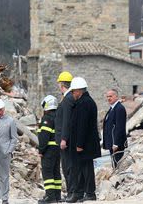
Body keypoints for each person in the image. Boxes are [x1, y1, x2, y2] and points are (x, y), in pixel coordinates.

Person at [67, 77, 101, 203]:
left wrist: (79, 144)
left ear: (78, 91)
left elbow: (82, 125)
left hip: (84, 144)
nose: (72, 94)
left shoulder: (84, 103)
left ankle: (90, 193)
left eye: (73, 91)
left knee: (86, 169)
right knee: (80, 169)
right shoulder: (84, 101)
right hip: (83, 144)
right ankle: (79, 193)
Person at [54, 71, 75, 200]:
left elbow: (66, 121)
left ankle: (71, 193)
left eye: (59, 84)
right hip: (65, 139)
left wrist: (64, 139)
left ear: (62, 85)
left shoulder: (67, 99)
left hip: (65, 141)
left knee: (68, 167)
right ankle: (71, 192)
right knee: (67, 167)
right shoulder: (67, 98)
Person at [38, 95, 61, 203]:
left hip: (48, 149)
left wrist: (41, 150)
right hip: (58, 149)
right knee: (56, 172)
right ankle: (57, 196)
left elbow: (44, 136)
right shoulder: (59, 116)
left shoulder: (47, 118)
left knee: (47, 173)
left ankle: (50, 197)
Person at [102, 89, 127, 169]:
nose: (108, 98)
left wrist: (116, 143)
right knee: (114, 164)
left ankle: (119, 179)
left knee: (118, 164)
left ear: (116, 97)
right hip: (111, 143)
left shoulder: (119, 108)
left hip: (117, 144)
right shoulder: (111, 109)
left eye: (110, 96)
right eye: (107, 96)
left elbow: (120, 127)